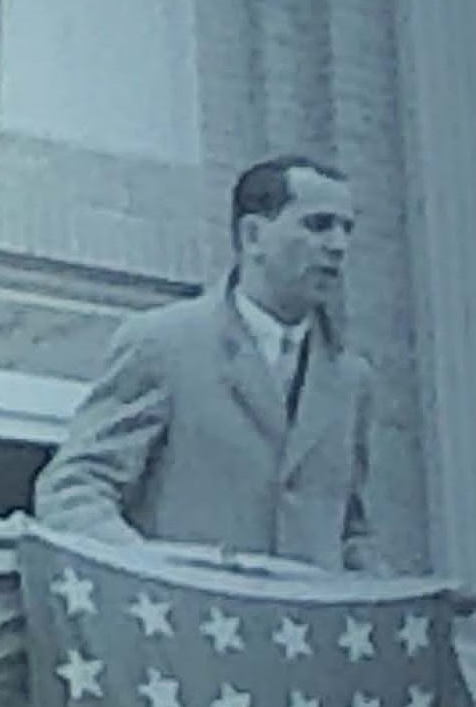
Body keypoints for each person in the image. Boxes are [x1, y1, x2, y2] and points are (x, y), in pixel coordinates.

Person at [32, 154, 380, 574]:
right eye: (318, 225)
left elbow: (349, 530)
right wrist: (151, 573)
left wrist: (412, 598)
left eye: (347, 229)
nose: (338, 246)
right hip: (192, 629)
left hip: (307, 632)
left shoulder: (350, 380)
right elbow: (74, 489)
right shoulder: (164, 344)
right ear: (253, 235)